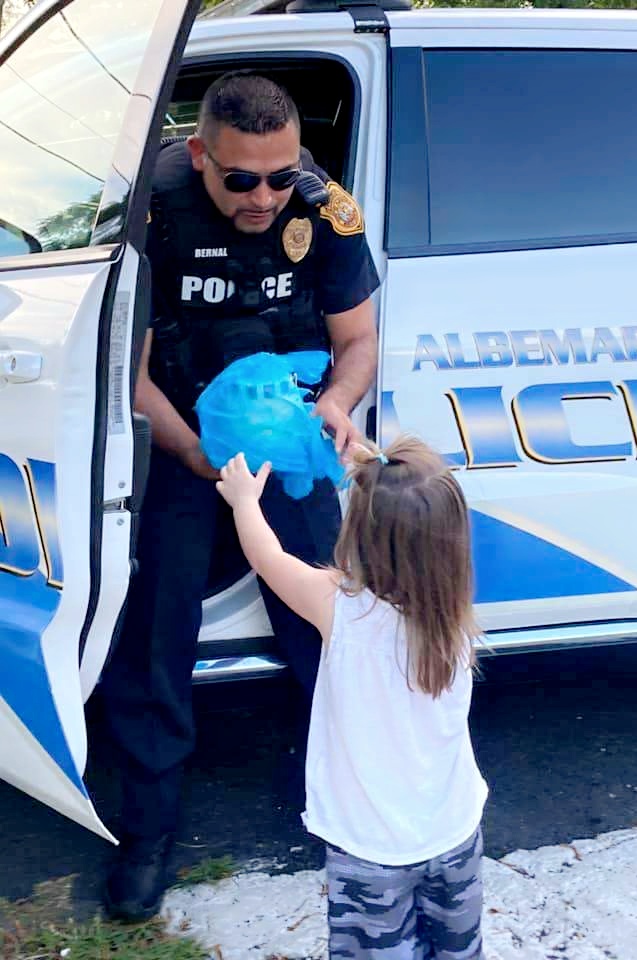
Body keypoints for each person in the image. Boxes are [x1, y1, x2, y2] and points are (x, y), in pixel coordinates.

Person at [101, 72, 380, 921]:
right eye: (240, 179)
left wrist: (334, 404)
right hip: (183, 441)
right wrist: (192, 454)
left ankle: (359, 801)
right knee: (156, 630)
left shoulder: (323, 207)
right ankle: (146, 829)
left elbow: (359, 337)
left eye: (280, 174)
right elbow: (130, 370)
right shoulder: (152, 208)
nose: (264, 197)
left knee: (331, 624)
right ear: (199, 154)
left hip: (289, 442)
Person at [216, 436, 489, 960]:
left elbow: (268, 557)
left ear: (356, 534)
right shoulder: (455, 615)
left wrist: (246, 502)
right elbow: (415, 516)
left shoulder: (341, 609)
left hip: (369, 847)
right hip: (453, 832)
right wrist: (375, 473)